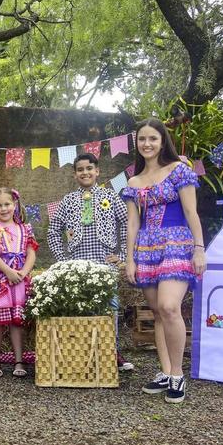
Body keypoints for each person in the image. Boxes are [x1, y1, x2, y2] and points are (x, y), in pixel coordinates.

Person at [121, 118, 206, 404]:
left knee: (170, 307)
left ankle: (178, 374)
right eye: (142, 139)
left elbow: (192, 212)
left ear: (162, 141)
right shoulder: (133, 182)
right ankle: (165, 371)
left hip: (177, 244)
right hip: (146, 247)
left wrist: (199, 248)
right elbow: (133, 224)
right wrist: (130, 259)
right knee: (157, 311)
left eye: (152, 139)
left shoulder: (179, 170)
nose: (147, 144)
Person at [47, 153, 134, 371]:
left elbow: (127, 224)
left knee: (109, 307)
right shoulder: (68, 200)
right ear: (74, 174)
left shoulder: (110, 196)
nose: (85, 173)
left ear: (97, 171)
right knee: (81, 306)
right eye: (80, 169)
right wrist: (63, 261)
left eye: (89, 168)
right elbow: (53, 230)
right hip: (77, 265)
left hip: (105, 264)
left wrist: (122, 254)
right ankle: (84, 353)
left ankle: (111, 352)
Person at [0, 188, 38, 378]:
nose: (4, 209)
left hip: (19, 277)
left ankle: (19, 361)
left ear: (15, 205)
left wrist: (23, 273)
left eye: (7, 204)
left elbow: (31, 253)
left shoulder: (24, 228)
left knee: (16, 321)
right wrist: (8, 271)